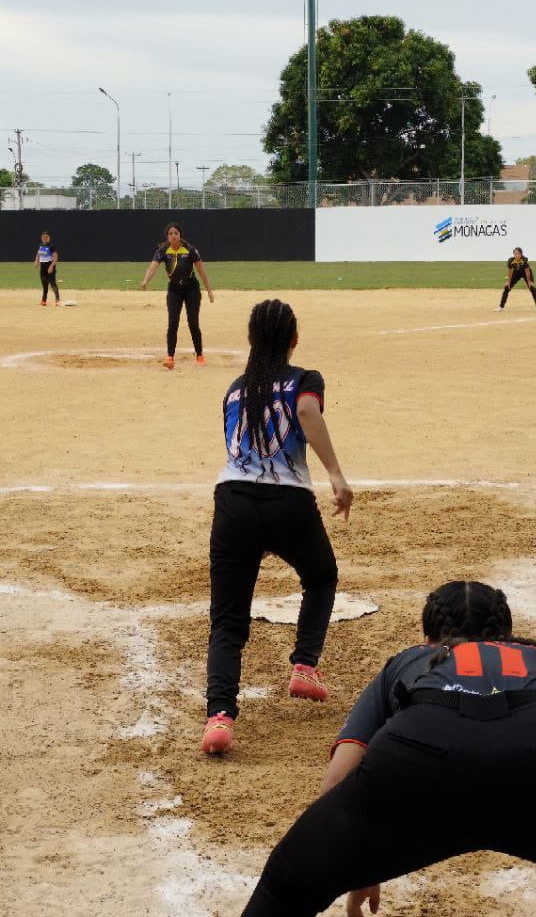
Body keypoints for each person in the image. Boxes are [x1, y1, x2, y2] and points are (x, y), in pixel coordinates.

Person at [241, 581, 536, 917]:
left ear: (428, 639)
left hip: (420, 755)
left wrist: (352, 857)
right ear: (508, 636)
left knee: (284, 892)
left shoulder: (408, 661)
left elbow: (340, 779)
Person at [203, 299, 353, 755]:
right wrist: (335, 473)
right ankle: (304, 665)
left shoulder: (234, 388)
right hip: (288, 502)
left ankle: (220, 716)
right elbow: (306, 412)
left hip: (233, 503)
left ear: (250, 340)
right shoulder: (304, 380)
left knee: (228, 621)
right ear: (293, 340)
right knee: (321, 577)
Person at [140, 222, 215, 369]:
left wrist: (209, 291)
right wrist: (145, 281)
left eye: (176, 233)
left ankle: (199, 355)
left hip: (191, 289)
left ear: (180, 235)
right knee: (173, 323)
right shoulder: (163, 250)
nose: (173, 236)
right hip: (174, 289)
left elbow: (201, 271)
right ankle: (170, 357)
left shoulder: (190, 250)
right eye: (170, 234)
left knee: (193, 323)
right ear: (167, 237)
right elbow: (153, 267)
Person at [35, 231, 61, 306]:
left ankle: (57, 300)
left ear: (49, 238)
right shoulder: (40, 245)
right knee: (44, 284)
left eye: (46, 237)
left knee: (53, 283)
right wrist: (36, 261)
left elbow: (55, 257)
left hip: (49, 266)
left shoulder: (51, 246)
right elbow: (38, 253)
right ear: (41, 238)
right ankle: (44, 301)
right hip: (42, 267)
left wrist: (51, 266)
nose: (45, 238)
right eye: (43, 237)